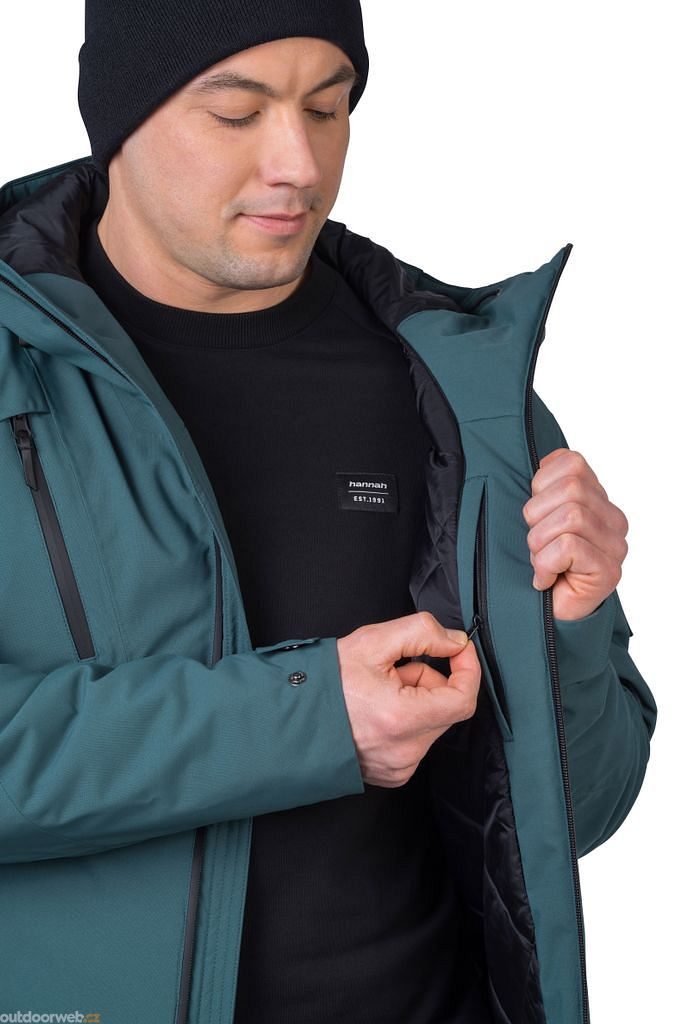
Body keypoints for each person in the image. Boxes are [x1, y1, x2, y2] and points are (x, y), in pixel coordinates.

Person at [0, 2, 657, 1022]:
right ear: (118, 119)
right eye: (236, 113)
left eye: (326, 108)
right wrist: (309, 718)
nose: (297, 164)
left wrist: (564, 630)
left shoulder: (459, 389)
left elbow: (581, 817)